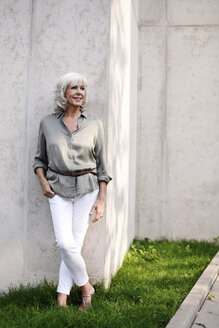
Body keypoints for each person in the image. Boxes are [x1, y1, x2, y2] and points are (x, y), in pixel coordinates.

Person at [33, 72, 112, 311]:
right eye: (74, 88)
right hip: (57, 190)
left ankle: (62, 297)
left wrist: (101, 199)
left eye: (82, 88)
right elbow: (39, 159)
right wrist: (44, 183)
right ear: (63, 93)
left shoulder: (95, 124)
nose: (79, 92)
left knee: (73, 246)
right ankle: (87, 287)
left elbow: (103, 167)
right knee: (65, 244)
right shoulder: (47, 123)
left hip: (87, 189)